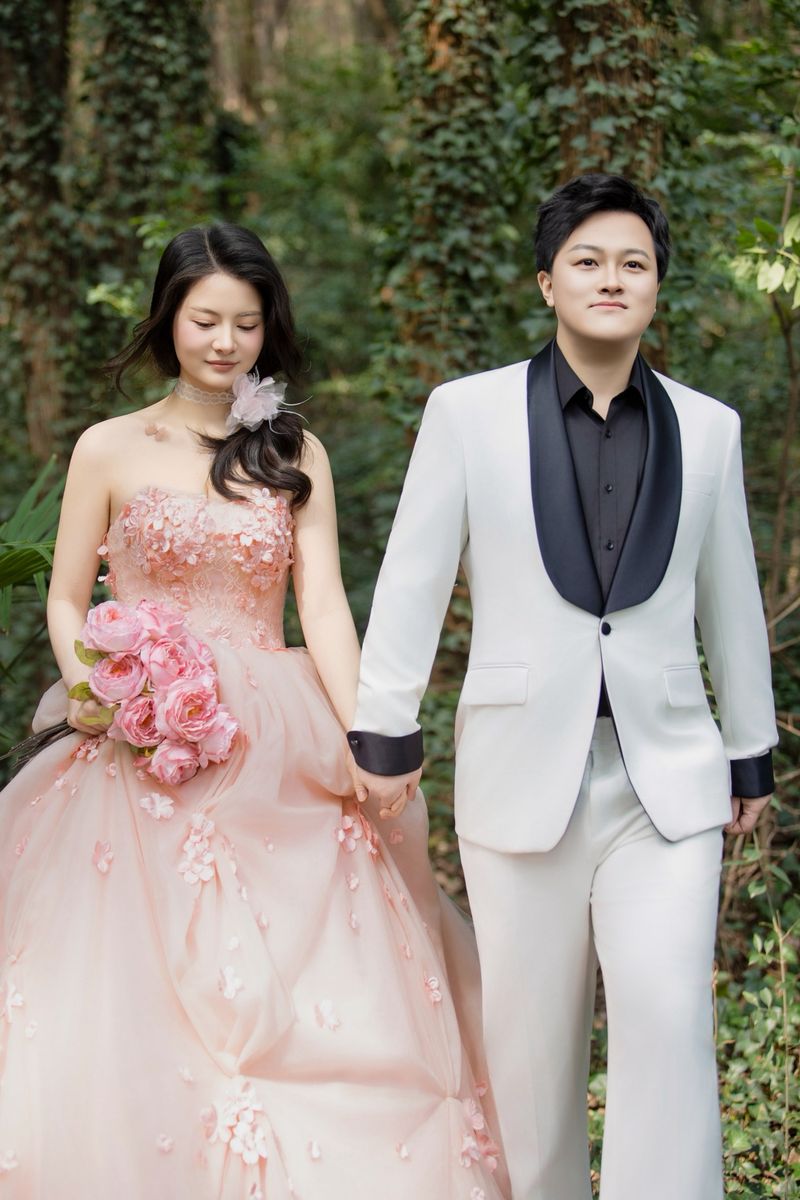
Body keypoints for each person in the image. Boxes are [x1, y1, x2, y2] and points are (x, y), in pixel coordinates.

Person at [0, 223, 509, 1199]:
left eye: (245, 322)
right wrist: (96, 689)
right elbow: (65, 597)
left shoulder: (293, 449)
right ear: (168, 320)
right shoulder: (107, 447)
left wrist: (368, 732)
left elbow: (323, 605)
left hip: (275, 734)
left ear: (268, 328)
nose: (225, 342)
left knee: (312, 961)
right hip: (135, 737)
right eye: (205, 320)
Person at [347, 174, 778, 1200]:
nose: (610, 278)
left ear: (657, 286)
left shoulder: (709, 428)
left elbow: (730, 597)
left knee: (667, 1017)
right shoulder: (466, 413)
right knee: (531, 1049)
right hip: (519, 770)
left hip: (666, 775)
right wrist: (383, 730)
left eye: (633, 262)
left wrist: (749, 748)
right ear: (548, 282)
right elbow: (412, 577)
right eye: (587, 260)